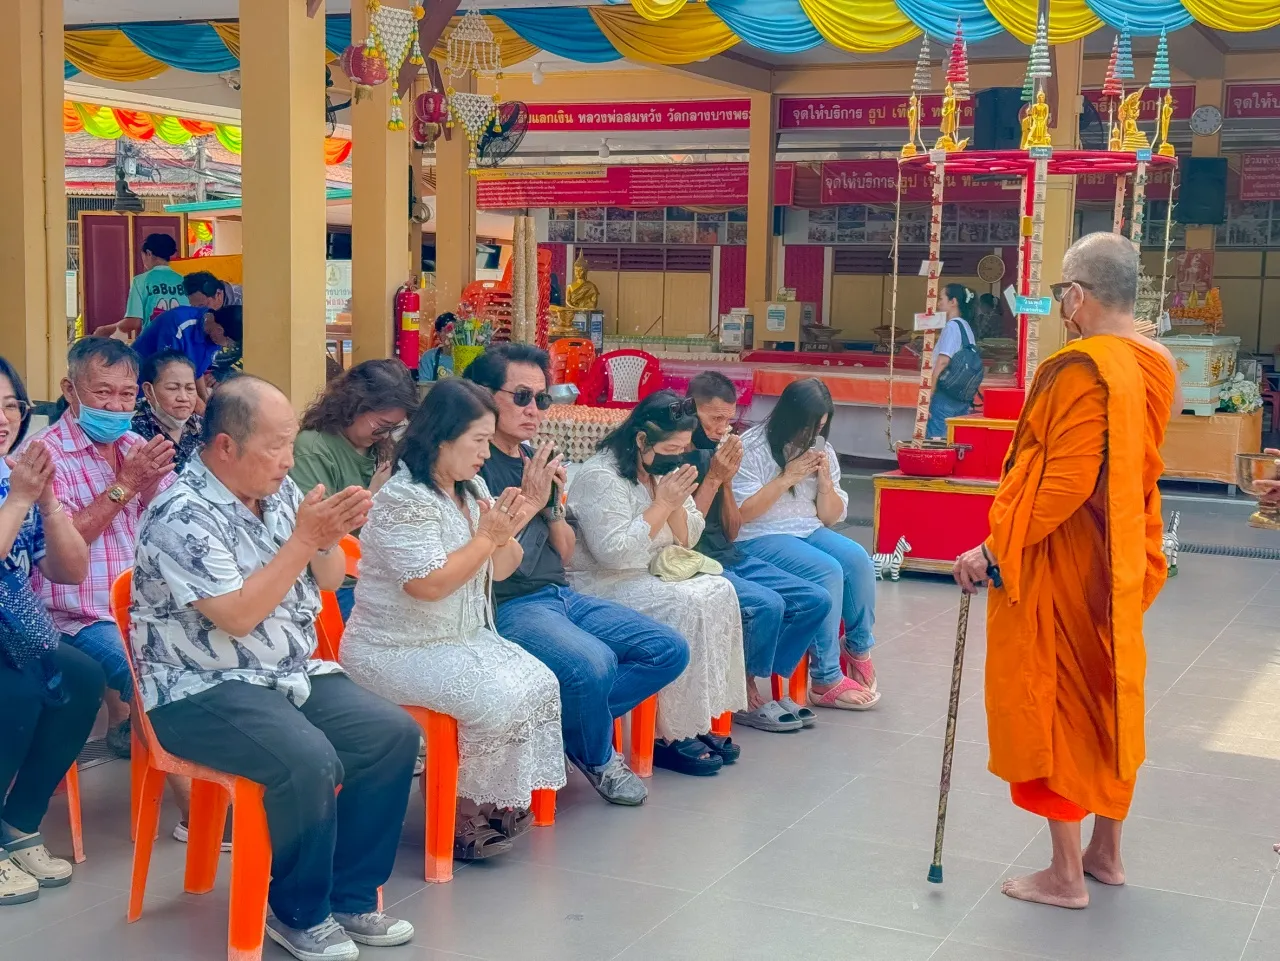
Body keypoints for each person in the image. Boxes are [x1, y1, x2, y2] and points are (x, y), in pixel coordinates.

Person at [133, 375, 418, 959]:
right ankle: (297, 912)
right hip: (197, 688)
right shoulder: (180, 513)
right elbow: (236, 617)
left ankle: (352, 896)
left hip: (286, 670)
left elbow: (332, 579)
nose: (288, 460)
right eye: (275, 446)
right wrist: (300, 542)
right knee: (307, 758)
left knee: (392, 735)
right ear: (226, 448)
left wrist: (325, 536)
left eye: (291, 444)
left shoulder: (282, 493)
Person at [953, 232, 1179, 910]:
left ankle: (1065, 872)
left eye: (1061, 294)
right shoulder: (1154, 360)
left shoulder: (1084, 368)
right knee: (1110, 694)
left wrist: (994, 550)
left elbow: (1066, 482)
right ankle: (1105, 851)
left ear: (1077, 295)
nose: (1062, 307)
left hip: (1067, 560)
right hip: (1121, 556)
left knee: (1056, 702)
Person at [339, 379, 567, 860]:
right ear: (443, 437)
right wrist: (488, 538)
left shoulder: (472, 488)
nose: (487, 452)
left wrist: (508, 527)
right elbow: (428, 585)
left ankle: (491, 799)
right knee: (493, 696)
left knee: (541, 682)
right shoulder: (405, 498)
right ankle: (460, 815)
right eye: (479, 440)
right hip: (394, 648)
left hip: (459, 637)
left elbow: (501, 567)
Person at [465, 345, 689, 804]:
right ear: (484, 397)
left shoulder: (535, 457)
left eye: (542, 399)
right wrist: (529, 497)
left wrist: (552, 504)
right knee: (594, 664)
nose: (534, 410)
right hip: (505, 602)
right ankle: (600, 757)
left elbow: (564, 552)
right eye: (522, 397)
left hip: (557, 592)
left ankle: (565, 732)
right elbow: (484, 559)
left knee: (668, 649)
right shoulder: (471, 464)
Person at [567, 390, 746, 776]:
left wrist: (677, 502)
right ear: (642, 440)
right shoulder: (602, 475)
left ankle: (697, 718)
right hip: (601, 581)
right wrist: (661, 504)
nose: (678, 456)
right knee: (683, 603)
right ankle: (669, 734)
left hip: (651, 570)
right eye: (671, 447)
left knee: (719, 591)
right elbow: (612, 553)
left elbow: (688, 536)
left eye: (684, 447)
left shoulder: (661, 469)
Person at [22, 338, 176, 757]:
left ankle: (165, 750)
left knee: (207, 662)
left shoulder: (133, 446)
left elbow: (173, 522)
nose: (114, 406)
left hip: (143, 606)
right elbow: (63, 546)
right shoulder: (43, 456)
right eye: (102, 392)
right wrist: (125, 485)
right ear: (69, 390)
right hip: (78, 616)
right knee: (151, 680)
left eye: (126, 394)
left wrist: (147, 487)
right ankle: (192, 813)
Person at [0, 356, 103, 906]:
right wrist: (19, 499)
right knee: (15, 691)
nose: (4, 419)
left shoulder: (13, 474)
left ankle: (18, 823)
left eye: (11, 406)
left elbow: (69, 570)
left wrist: (46, 502)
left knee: (82, 679)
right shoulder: (10, 486)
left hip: (17, 626)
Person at [686, 371, 830, 731]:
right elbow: (685, 534)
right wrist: (715, 478)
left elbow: (732, 529)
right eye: (714, 418)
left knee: (816, 599)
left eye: (728, 419)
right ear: (691, 409)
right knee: (769, 604)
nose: (722, 428)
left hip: (728, 553)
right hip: (692, 556)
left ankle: (758, 672)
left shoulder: (721, 451)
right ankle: (745, 688)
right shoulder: (679, 452)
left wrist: (728, 481)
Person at [733, 378, 880, 710]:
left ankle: (858, 647)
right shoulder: (751, 447)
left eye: (820, 427)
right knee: (826, 570)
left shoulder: (820, 448)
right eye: (808, 427)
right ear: (789, 418)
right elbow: (743, 514)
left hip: (808, 531)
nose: (813, 435)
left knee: (857, 560)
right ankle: (825, 677)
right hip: (760, 536)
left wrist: (825, 484)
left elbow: (828, 519)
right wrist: (787, 477)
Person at [292, 359, 418, 619]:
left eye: (394, 429)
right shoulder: (313, 448)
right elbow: (317, 535)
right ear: (354, 405)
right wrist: (372, 496)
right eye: (381, 426)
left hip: (382, 575)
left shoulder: (379, 448)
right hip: (339, 583)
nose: (385, 435)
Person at [133, 272, 242, 386]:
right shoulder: (190, 323)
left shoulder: (246, 304)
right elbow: (170, 371)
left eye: (201, 305)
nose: (196, 310)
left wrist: (224, 372)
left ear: (218, 295)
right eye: (193, 306)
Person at [98, 233, 188, 338]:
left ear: (148, 253)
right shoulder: (185, 280)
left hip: (153, 344)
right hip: (183, 343)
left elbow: (133, 322)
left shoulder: (140, 281)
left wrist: (104, 330)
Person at [132, 350, 202, 472]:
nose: (184, 398)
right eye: (173, 388)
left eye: (190, 388)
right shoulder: (133, 431)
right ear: (148, 390)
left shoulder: (203, 427)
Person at [926, 283, 980, 440]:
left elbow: (943, 361)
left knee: (937, 441)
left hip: (945, 395)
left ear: (953, 302)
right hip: (962, 395)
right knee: (955, 441)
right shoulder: (966, 327)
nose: (938, 303)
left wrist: (930, 391)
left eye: (941, 298)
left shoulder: (951, 327)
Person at [419, 313, 456, 382]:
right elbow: (424, 388)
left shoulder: (468, 356)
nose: (454, 334)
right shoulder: (429, 357)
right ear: (438, 334)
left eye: (457, 330)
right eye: (449, 330)